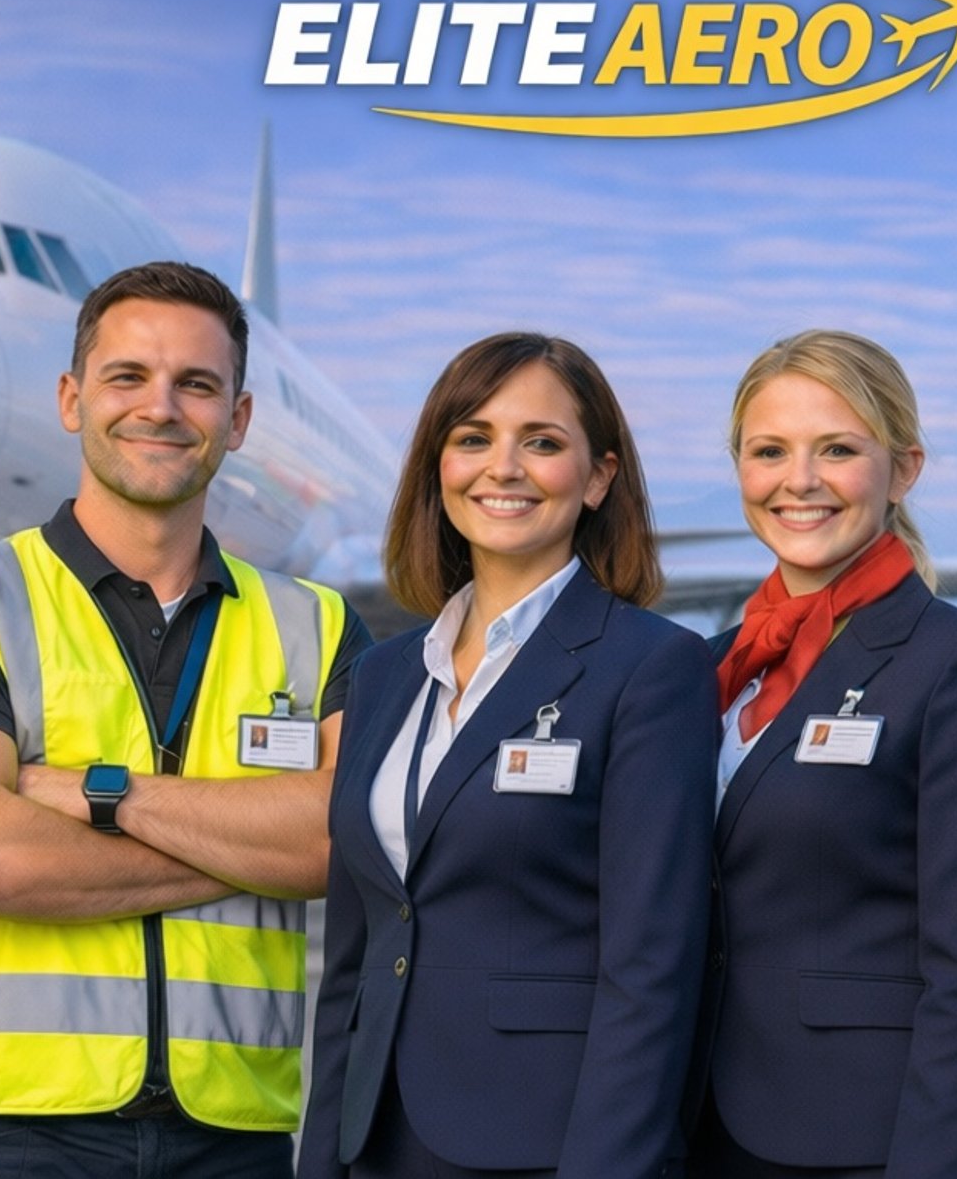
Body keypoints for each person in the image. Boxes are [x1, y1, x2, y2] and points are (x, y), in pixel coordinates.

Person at [0, 261, 369, 1177]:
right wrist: (250, 846)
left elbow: (340, 845)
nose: (160, 407)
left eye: (198, 385)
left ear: (239, 420)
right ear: (71, 398)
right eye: (127, 377)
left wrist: (104, 796)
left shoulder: (319, 627)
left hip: (235, 1135)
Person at [298, 332, 716, 1179]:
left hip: (546, 1142)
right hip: (378, 1138)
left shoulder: (650, 666)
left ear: (598, 477)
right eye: (474, 437)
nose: (505, 466)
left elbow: (653, 968)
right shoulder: (383, 675)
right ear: (437, 466)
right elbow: (359, 952)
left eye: (544, 442)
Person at [690, 330, 957, 1179]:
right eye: (769, 451)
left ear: (906, 468)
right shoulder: (705, 672)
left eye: (839, 450)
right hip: (703, 1134)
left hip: (881, 1142)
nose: (800, 481)